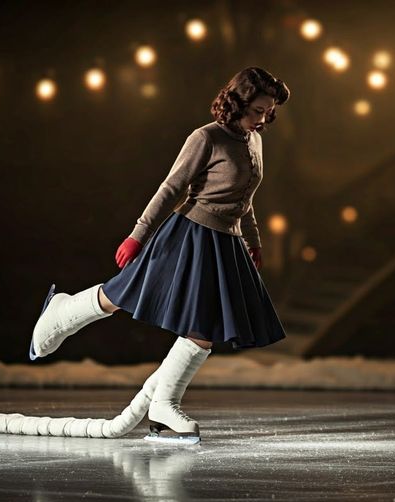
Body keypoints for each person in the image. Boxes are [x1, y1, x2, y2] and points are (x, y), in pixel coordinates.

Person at [23, 67, 290, 442]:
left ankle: (164, 405)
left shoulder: (254, 141)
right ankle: (61, 314)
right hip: (190, 235)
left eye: (268, 112)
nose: (263, 119)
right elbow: (172, 188)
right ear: (238, 102)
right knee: (126, 293)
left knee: (205, 329)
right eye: (258, 110)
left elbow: (246, 199)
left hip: (225, 242)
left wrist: (252, 239)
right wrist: (138, 234)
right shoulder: (206, 138)